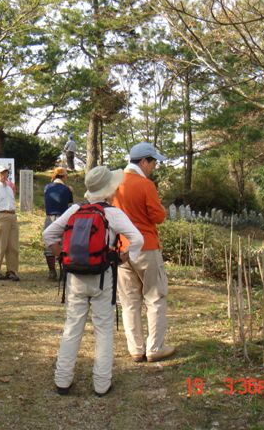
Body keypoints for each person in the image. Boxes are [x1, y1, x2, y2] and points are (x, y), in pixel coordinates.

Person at [43, 166, 143, 397]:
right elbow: (137, 239)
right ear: (109, 190)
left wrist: (63, 258)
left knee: (72, 327)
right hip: (102, 278)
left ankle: (62, 381)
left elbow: (48, 235)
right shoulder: (113, 213)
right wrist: (123, 258)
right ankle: (101, 384)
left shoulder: (75, 209)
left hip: (75, 278)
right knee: (103, 330)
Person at [112, 142, 175, 363]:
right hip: (146, 246)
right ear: (144, 161)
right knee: (155, 297)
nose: (154, 166)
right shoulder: (146, 185)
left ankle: (136, 349)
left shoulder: (115, 182)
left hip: (121, 248)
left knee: (129, 300)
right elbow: (158, 216)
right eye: (153, 162)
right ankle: (155, 348)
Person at [0, 165, 20, 281]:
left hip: (12, 216)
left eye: (5, 173)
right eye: (1, 173)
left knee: (13, 245)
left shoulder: (9, 188)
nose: (4, 175)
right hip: (1, 215)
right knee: (0, 244)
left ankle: (12, 271)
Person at [43, 167, 74, 280]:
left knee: (49, 244)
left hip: (49, 217)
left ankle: (52, 271)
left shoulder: (47, 187)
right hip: (63, 217)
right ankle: (63, 271)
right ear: (64, 176)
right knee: (63, 244)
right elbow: (69, 202)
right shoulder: (67, 189)